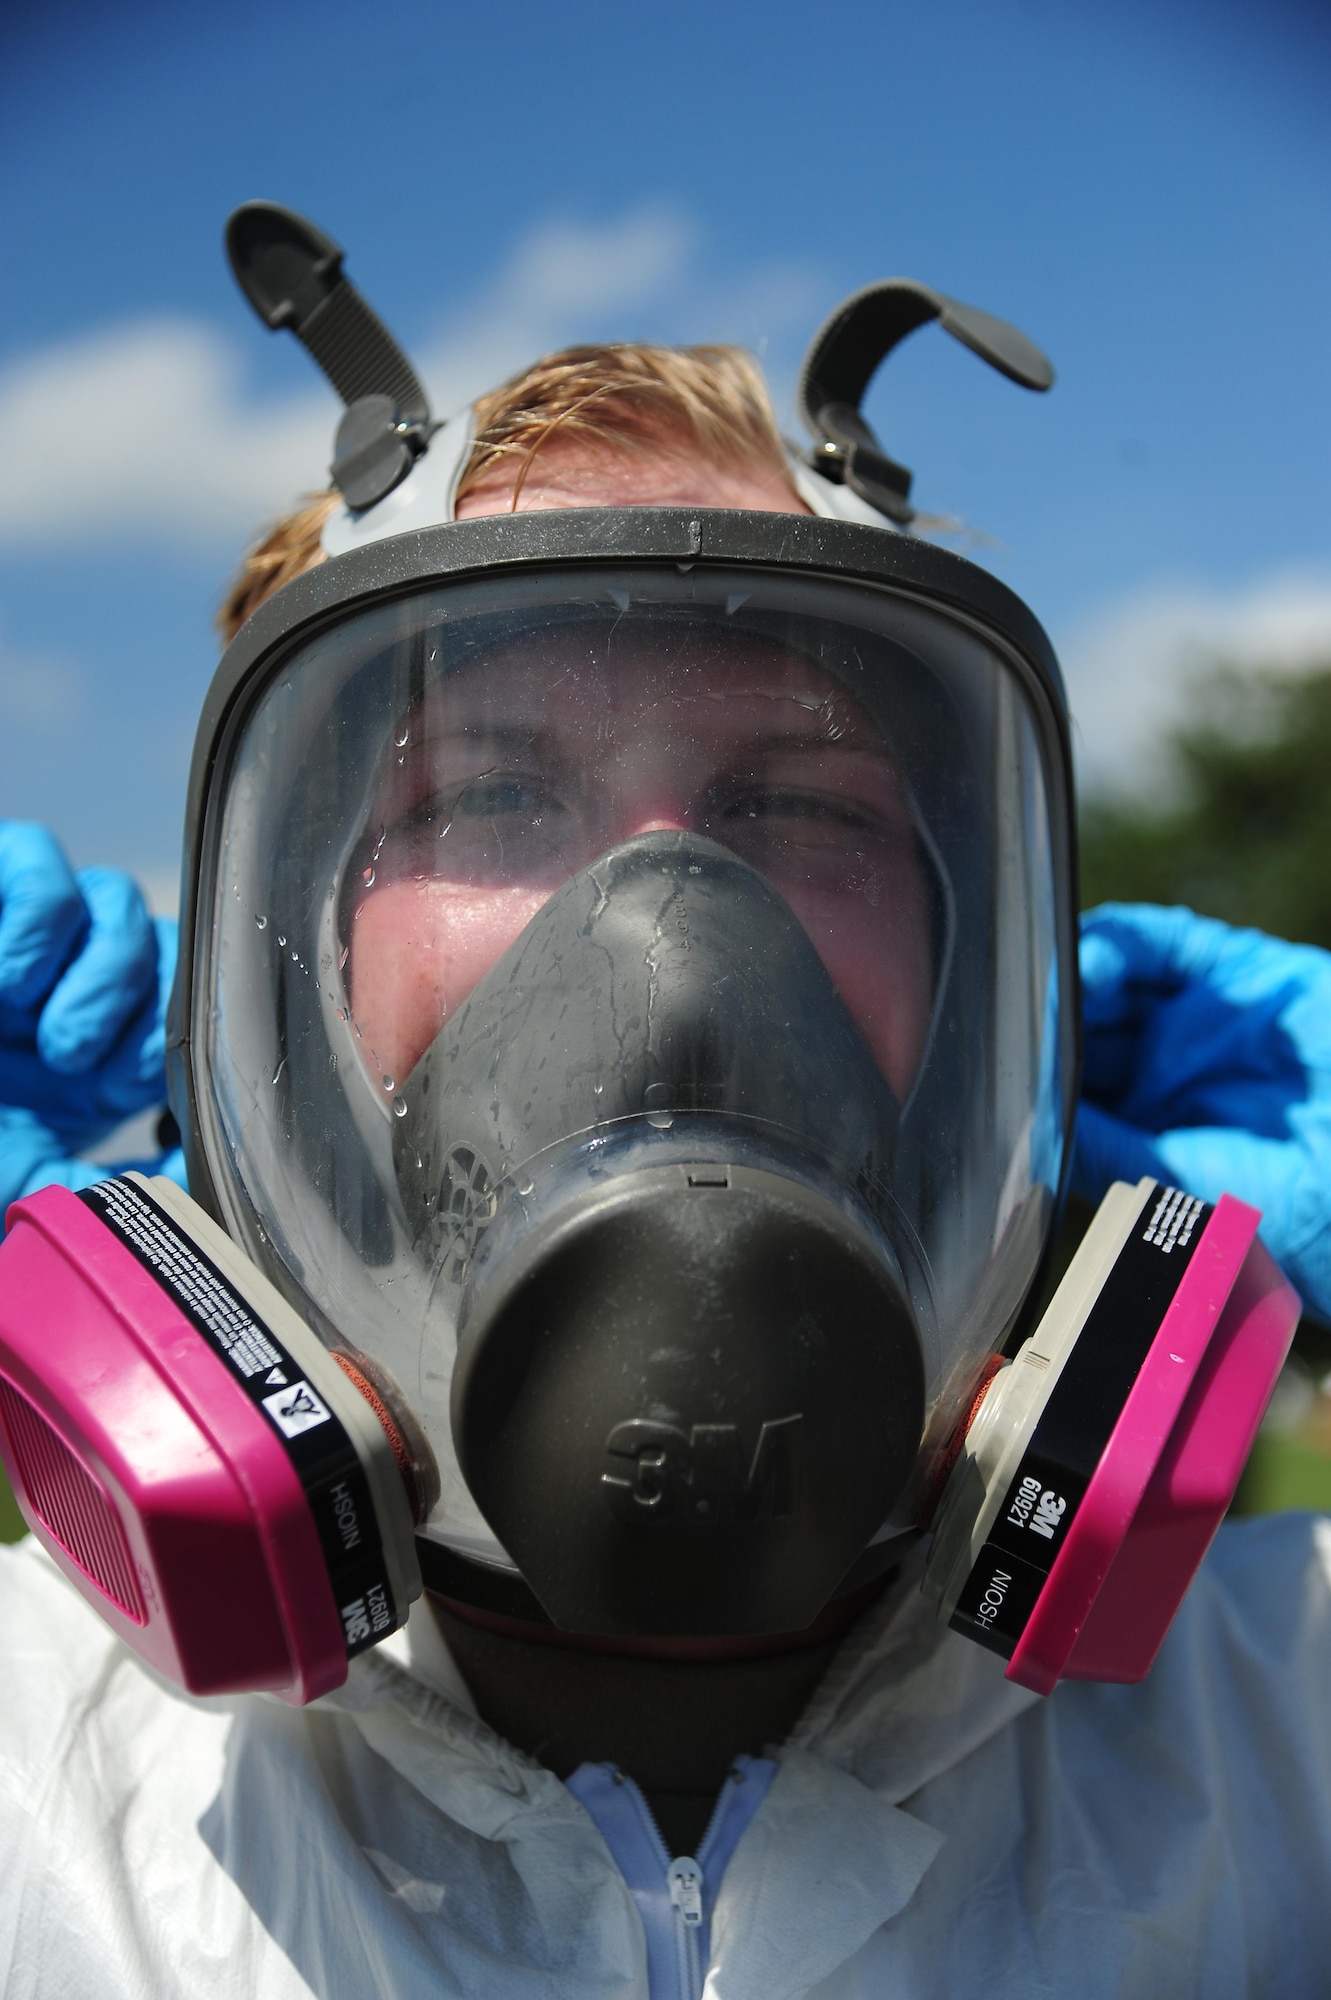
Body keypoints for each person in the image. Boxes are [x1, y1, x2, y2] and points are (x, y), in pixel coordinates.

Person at [2, 222, 1331, 1997]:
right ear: (283, 980)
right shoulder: (46, 1797)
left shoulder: (1288, 1719)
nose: (670, 925)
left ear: (980, 973)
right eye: (484, 795)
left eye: (805, 806)